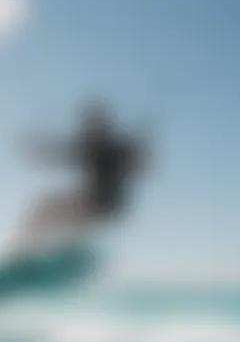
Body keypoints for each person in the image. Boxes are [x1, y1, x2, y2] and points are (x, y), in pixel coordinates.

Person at [13, 101, 150, 251]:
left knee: (46, 209)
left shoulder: (113, 149)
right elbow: (61, 151)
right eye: (87, 130)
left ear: (102, 128)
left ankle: (27, 251)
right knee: (53, 213)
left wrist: (139, 150)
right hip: (94, 203)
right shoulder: (94, 148)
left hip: (103, 205)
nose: (87, 134)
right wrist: (39, 148)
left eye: (92, 129)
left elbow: (140, 164)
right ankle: (47, 249)